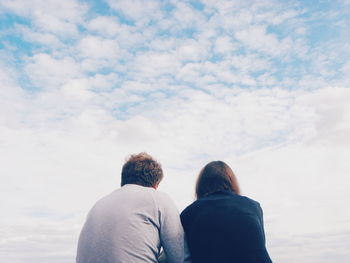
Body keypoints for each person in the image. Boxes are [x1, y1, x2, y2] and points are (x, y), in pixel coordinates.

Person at [76, 152, 188, 263]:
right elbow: (178, 257)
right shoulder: (158, 198)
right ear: (155, 184)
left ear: (124, 180)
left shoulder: (99, 203)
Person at [180, 161, 273, 263]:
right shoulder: (254, 206)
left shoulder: (188, 213)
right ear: (231, 181)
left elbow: (182, 255)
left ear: (201, 184)